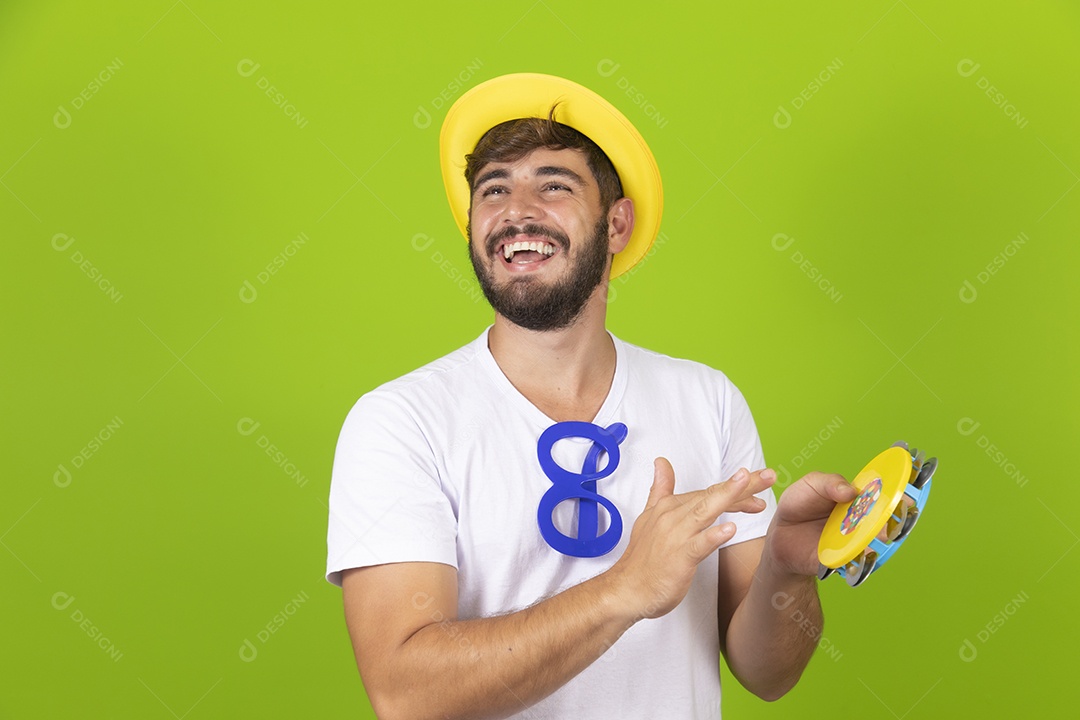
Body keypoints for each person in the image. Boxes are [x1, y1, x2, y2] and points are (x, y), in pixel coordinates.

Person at [325, 73, 857, 720]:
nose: (516, 209)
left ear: (616, 223)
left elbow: (768, 674)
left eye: (553, 184)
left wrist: (785, 571)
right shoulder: (400, 422)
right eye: (494, 189)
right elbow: (406, 694)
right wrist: (624, 589)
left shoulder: (707, 400)